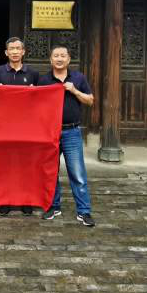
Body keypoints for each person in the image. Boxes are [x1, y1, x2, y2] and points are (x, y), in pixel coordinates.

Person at [38, 44, 96, 227]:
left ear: (69, 59)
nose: (59, 58)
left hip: (72, 131)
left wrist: (74, 90)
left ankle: (84, 211)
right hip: (50, 132)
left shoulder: (78, 78)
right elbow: (36, 105)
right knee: (50, 172)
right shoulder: (44, 80)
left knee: (77, 173)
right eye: (56, 55)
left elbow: (90, 100)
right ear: (51, 59)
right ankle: (53, 206)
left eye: (63, 55)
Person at [0, 37, 39, 216]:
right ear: (6, 52)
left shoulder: (33, 73)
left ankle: (26, 200)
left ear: (23, 52)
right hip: (3, 125)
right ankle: (5, 200)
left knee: (25, 164)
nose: (14, 51)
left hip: (26, 126)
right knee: (4, 165)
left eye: (17, 48)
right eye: (11, 49)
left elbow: (41, 100)